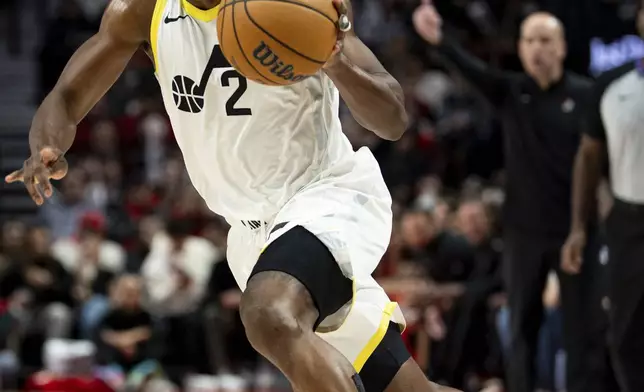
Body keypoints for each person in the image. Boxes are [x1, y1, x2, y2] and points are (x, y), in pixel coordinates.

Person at [4, 0, 457, 391]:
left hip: (328, 198)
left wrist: (334, 60)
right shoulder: (146, 12)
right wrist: (47, 147)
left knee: (269, 312)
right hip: (252, 235)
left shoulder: (295, 6)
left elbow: (393, 119)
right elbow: (66, 95)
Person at [413, 3, 611, 392]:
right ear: (520, 48)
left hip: (576, 233)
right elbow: (472, 71)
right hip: (524, 233)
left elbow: (604, 168)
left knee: (582, 333)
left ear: (562, 47)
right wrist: (440, 40)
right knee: (522, 329)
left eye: (545, 40)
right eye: (530, 40)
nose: (537, 48)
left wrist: (590, 227)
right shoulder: (511, 92)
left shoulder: (588, 96)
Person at [562, 2, 644, 390]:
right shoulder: (611, 84)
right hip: (628, 222)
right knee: (626, 332)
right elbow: (589, 156)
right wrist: (579, 228)